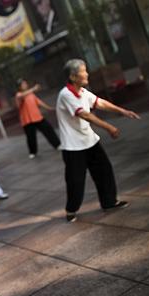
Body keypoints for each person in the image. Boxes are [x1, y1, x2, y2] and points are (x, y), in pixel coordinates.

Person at [57, 59, 141, 222]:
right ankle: (71, 209)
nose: (87, 73)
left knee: (104, 171)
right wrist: (108, 127)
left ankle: (109, 202)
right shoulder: (66, 94)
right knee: (76, 180)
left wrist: (122, 111)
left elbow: (99, 102)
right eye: (83, 71)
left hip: (89, 140)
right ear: (73, 77)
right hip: (73, 146)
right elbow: (85, 114)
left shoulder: (82, 91)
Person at [15, 79, 61, 159]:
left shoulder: (31, 94)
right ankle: (33, 152)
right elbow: (21, 96)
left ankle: (57, 144)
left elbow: (39, 102)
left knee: (48, 129)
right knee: (31, 137)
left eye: (25, 83)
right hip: (27, 121)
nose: (24, 85)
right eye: (22, 84)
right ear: (19, 87)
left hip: (37, 117)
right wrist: (34, 88)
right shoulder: (19, 95)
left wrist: (49, 108)